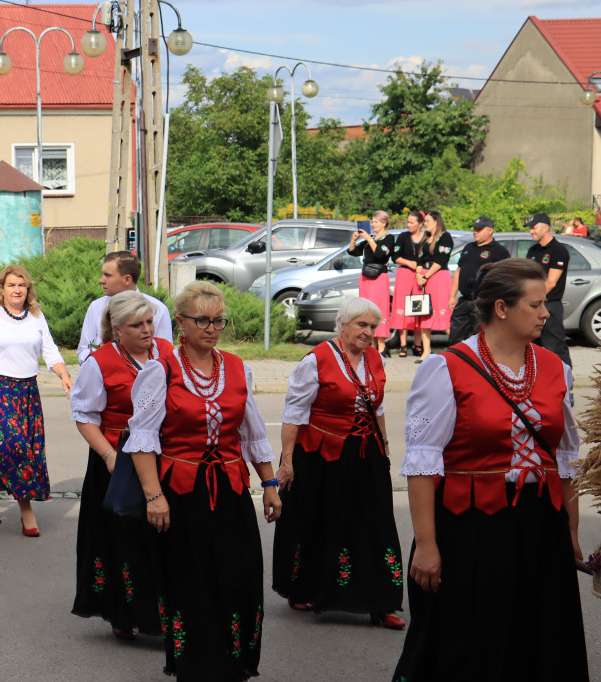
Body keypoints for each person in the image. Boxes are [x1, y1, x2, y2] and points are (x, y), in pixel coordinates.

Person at [393, 259, 588, 681]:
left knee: (541, 636)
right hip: (471, 527)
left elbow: (566, 459)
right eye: (535, 305)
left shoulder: (558, 369)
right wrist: (426, 544)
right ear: (502, 308)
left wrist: (570, 530)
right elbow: (423, 463)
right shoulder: (446, 368)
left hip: (540, 525)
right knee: (472, 639)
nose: (546, 314)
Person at [125, 281, 281, 680]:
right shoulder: (160, 371)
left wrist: (268, 484)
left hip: (228, 490)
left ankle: (234, 661)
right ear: (181, 322)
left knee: (239, 574)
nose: (211, 328)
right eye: (202, 320)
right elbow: (142, 440)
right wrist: (154, 496)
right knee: (191, 579)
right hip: (180, 494)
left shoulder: (237, 367)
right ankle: (197, 665)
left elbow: (253, 432)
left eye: (218, 321)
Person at [271, 297, 405, 628]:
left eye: (373, 326)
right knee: (319, 521)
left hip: (366, 452)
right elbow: (294, 413)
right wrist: (287, 461)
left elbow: (379, 408)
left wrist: (384, 448)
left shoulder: (376, 358)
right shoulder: (316, 360)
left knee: (375, 524)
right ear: (341, 324)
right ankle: (304, 588)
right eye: (361, 325)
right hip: (323, 455)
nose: (368, 332)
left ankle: (381, 601)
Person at [70, 290, 173, 640]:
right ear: (117, 328)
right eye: (137, 325)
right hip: (118, 459)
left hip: (164, 457)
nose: (147, 330)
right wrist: (109, 456)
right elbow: (84, 416)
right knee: (123, 540)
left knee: (164, 537)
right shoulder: (100, 362)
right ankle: (124, 613)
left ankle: (168, 613)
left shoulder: (168, 352)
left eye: (149, 322)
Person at [0, 265, 72, 537]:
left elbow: (50, 350)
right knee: (16, 448)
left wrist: (64, 374)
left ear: (28, 289)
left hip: (27, 392)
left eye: (21, 285)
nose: (16, 290)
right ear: (1, 288)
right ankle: (26, 510)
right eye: (11, 285)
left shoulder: (36, 317)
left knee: (23, 449)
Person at [77, 251, 173, 364]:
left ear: (127, 279)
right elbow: (83, 351)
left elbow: (165, 356)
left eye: (108, 275)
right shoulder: (96, 307)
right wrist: (97, 357)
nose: (101, 280)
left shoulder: (158, 309)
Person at [447, 216, 509, 345]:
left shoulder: (499, 251)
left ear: (490, 230)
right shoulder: (469, 247)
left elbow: (505, 278)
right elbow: (459, 271)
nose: (475, 232)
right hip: (465, 300)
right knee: (455, 337)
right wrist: (452, 295)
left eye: (479, 229)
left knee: (480, 339)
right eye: (474, 229)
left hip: (483, 301)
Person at [526, 213, 572, 368]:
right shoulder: (533, 251)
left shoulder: (558, 250)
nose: (531, 231)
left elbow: (551, 282)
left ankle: (566, 387)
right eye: (530, 228)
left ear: (545, 228)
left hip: (549, 306)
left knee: (555, 348)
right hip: (533, 306)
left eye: (534, 227)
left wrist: (531, 298)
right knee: (531, 348)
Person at [348, 212, 394, 357]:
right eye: (372, 222)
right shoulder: (371, 239)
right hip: (366, 277)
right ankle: (371, 344)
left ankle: (381, 345)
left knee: (379, 310)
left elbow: (381, 255)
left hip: (379, 277)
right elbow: (353, 252)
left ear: (384, 223)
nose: (373, 225)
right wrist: (354, 240)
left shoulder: (389, 238)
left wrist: (369, 238)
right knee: (366, 310)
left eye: (376, 222)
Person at [414, 211, 453, 363]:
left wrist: (426, 275)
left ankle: (455, 345)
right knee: (424, 313)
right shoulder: (425, 238)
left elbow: (441, 259)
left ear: (437, 221)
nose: (425, 224)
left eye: (428, 221)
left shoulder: (445, 237)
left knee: (443, 313)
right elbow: (419, 259)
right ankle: (426, 350)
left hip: (438, 277)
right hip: (423, 278)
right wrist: (418, 275)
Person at [390, 212, 426, 358]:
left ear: (420, 224)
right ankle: (403, 344)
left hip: (420, 275)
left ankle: (417, 344)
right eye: (408, 222)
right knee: (402, 308)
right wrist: (408, 262)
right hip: (404, 274)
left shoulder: (427, 237)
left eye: (412, 222)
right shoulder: (403, 237)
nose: (408, 225)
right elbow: (395, 256)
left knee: (418, 308)